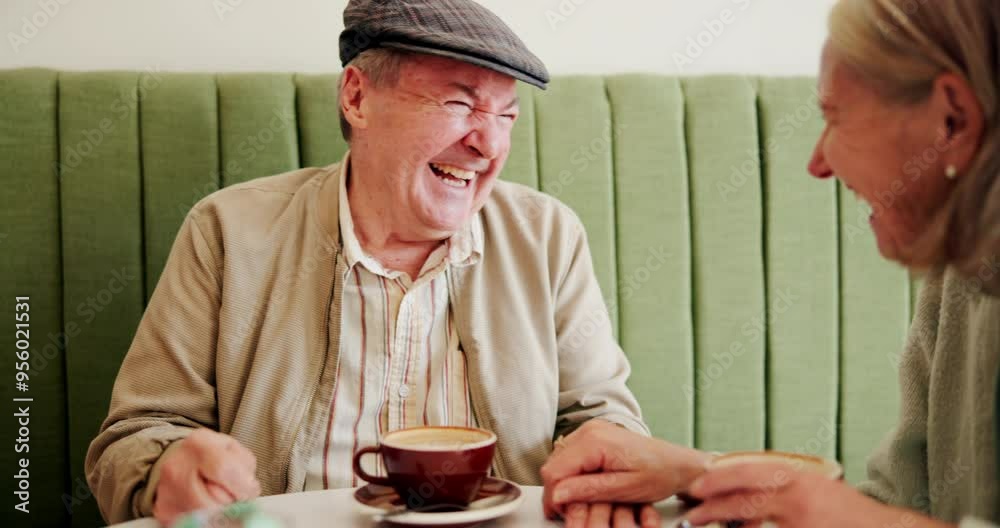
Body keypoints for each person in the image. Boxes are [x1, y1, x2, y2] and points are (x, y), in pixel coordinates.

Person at [84, 0, 651, 525]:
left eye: (506, 116)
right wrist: (168, 469)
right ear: (356, 98)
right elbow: (134, 437)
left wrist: (604, 457)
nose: (489, 145)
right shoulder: (228, 231)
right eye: (459, 103)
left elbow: (603, 419)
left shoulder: (546, 236)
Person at [541, 0, 1000, 527]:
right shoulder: (960, 277)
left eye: (834, 117)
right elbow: (899, 505)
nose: (817, 162)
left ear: (953, 119)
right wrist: (696, 472)